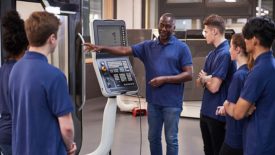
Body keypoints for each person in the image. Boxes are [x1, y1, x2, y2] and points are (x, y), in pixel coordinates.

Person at [84, 13, 193, 155]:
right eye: (162, 25)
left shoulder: (182, 48)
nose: (164, 29)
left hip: (172, 103)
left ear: (174, 28)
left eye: (168, 26)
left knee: (171, 139)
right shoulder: (148, 46)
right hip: (154, 102)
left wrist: (164, 79)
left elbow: (189, 74)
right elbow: (124, 50)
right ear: (158, 25)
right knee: (153, 138)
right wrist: (101, 48)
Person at [9, 11, 76, 155]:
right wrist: (70, 146)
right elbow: (67, 127)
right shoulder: (55, 76)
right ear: (52, 38)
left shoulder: (15, 69)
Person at [223, 16, 275, 155]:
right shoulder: (271, 65)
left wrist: (227, 105)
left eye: (246, 37)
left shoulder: (258, 72)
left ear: (255, 40)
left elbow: (239, 113)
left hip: (257, 144)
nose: (244, 40)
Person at [196, 14, 236, 155]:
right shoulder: (212, 54)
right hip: (205, 111)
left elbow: (214, 87)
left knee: (217, 150)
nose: (204, 34)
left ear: (214, 31)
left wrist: (206, 79)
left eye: (206, 31)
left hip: (217, 115)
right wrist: (206, 79)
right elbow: (198, 81)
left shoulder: (225, 54)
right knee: (208, 150)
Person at [216, 33, 252, 155]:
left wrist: (226, 105)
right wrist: (226, 106)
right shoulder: (250, 71)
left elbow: (230, 104)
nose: (229, 50)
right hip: (244, 135)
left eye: (231, 46)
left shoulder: (238, 76)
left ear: (238, 49)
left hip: (234, 137)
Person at [0, 10, 28, 155]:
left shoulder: (3, 69)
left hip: (4, 136)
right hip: (18, 136)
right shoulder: (21, 72)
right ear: (26, 45)